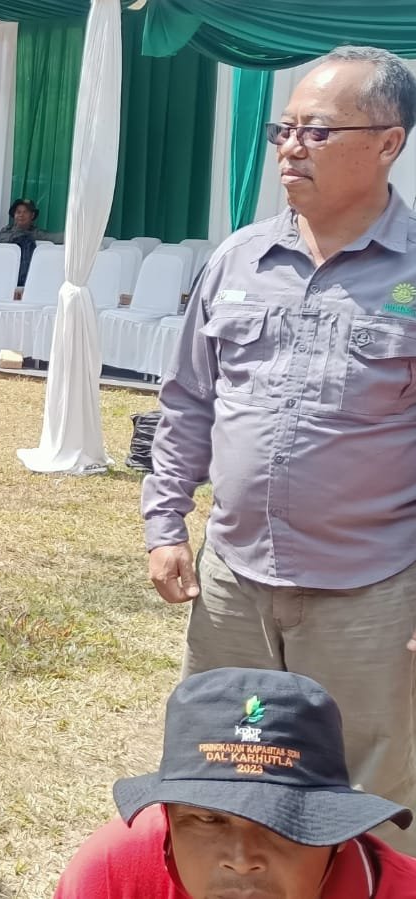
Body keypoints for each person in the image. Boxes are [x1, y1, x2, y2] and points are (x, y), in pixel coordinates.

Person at [143, 46, 416, 855]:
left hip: (372, 588)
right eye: (282, 129)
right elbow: (187, 401)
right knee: (220, 770)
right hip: (233, 580)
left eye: (317, 131)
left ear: (388, 142)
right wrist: (164, 526)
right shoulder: (238, 258)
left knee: (371, 789)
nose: (290, 147)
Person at [55, 668, 416, 898]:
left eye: (281, 824)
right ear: (167, 819)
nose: (242, 861)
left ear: (339, 836)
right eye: (209, 819)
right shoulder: (114, 872)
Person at [0, 198, 62, 284]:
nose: (21, 215)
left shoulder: (37, 234)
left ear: (32, 215)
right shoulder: (4, 232)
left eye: (25, 212)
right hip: (1, 273)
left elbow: (57, 238)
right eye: (18, 212)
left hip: (22, 278)